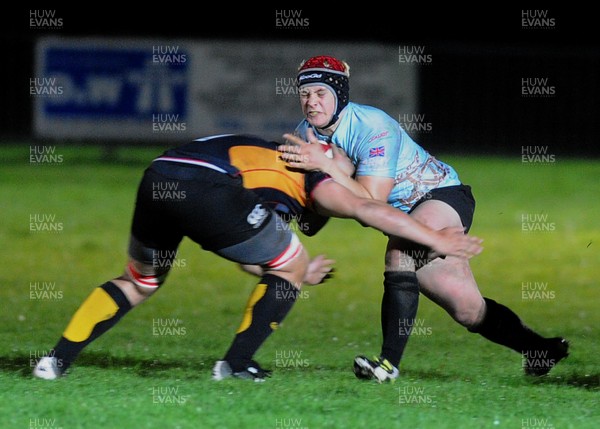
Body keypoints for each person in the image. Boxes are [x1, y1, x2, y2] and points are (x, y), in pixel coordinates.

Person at [33, 133, 482, 382]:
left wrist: (293, 272)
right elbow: (370, 209)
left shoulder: (275, 169)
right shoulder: (314, 176)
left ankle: (54, 361)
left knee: (141, 280)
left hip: (159, 175)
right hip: (206, 184)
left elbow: (247, 254)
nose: (352, 168)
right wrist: (436, 239)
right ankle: (235, 364)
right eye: (347, 161)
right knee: (289, 262)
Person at [278, 55, 569, 382]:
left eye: (320, 93)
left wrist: (326, 166)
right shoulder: (305, 136)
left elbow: (370, 200)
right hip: (407, 217)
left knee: (399, 255)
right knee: (468, 310)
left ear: (339, 95)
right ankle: (540, 350)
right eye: (304, 93)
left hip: (442, 196)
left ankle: (387, 366)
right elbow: (317, 214)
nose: (311, 102)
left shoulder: (372, 126)